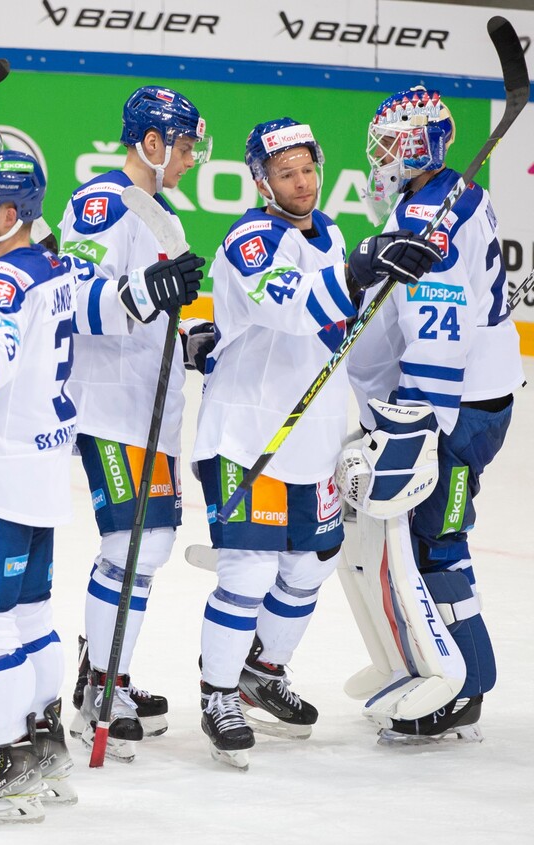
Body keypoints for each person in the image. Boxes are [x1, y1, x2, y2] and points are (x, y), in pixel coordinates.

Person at [0, 148, 195, 821]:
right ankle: (46, 743)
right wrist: (153, 288)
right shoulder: (53, 267)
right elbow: (104, 305)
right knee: (27, 617)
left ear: (3, 213)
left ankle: (11, 760)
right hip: (39, 473)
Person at [192, 118, 440, 769]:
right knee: (247, 570)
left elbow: (341, 327)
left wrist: (384, 270)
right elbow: (294, 305)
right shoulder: (249, 239)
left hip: (313, 433)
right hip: (250, 434)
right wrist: (360, 270)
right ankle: (218, 693)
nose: (300, 183)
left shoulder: (328, 231)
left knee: (312, 563)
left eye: (307, 169)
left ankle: (261, 671)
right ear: (261, 180)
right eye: (285, 173)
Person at [347, 87, 523, 742]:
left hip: (458, 410)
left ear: (421, 144)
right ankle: (433, 665)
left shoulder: (431, 217)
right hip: (467, 398)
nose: (381, 155)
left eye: (391, 142)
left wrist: (415, 429)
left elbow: (440, 335)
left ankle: (469, 684)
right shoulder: (439, 197)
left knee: (438, 538)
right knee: (422, 537)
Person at [56, 85, 210, 759]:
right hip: (110, 407)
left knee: (149, 545)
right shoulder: (101, 203)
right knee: (135, 546)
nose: (190, 159)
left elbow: (149, 315)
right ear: (151, 143)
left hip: (150, 406)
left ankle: (104, 669)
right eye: (183, 147)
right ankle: (100, 684)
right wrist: (152, 292)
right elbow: (77, 302)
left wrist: (188, 339)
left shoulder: (160, 212)